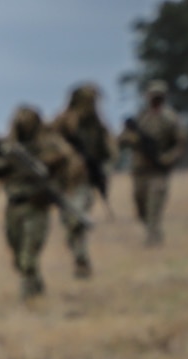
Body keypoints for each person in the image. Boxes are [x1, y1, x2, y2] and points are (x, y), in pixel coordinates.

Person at [0, 105, 82, 300]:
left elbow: (68, 167)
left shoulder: (51, 145)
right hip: (13, 205)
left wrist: (52, 175)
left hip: (37, 206)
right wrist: (0, 166)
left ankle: (28, 297)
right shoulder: (7, 148)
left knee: (29, 257)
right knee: (18, 256)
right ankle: (36, 284)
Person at [53, 82, 115, 278]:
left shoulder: (99, 127)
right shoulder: (62, 123)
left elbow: (109, 154)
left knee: (76, 219)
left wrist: (101, 174)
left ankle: (81, 260)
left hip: (85, 183)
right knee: (70, 223)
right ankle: (80, 257)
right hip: (64, 183)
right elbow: (49, 146)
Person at [119, 79, 188, 246]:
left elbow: (181, 144)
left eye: (159, 96)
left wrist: (168, 158)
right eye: (153, 95)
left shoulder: (171, 119)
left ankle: (153, 239)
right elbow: (122, 139)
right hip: (139, 171)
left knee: (154, 206)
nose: (155, 99)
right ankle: (153, 231)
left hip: (158, 172)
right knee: (141, 207)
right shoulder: (140, 117)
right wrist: (133, 139)